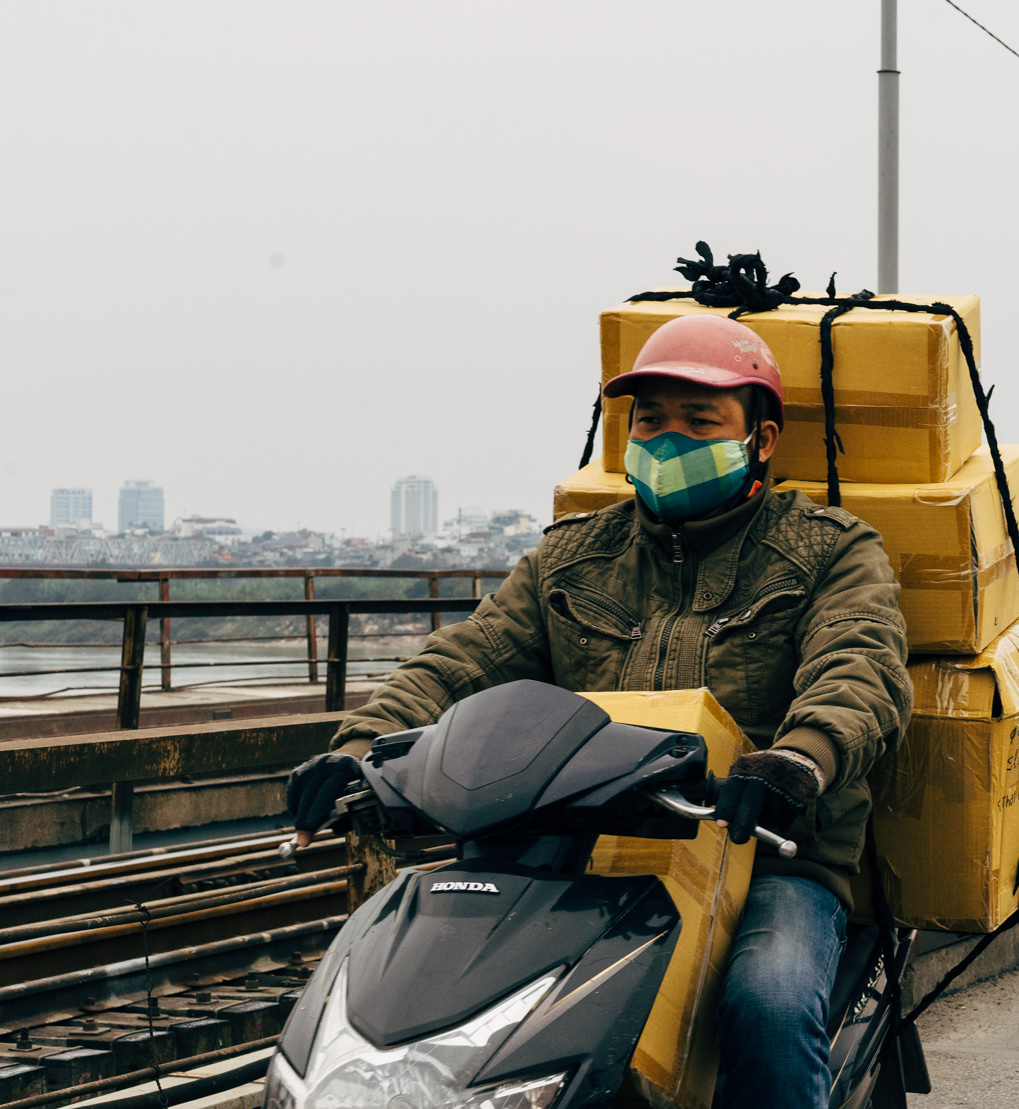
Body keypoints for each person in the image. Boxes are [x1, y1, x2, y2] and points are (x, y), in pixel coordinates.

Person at [282, 316, 912, 1109]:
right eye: (650, 418)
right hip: (580, 853)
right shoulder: (572, 557)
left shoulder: (828, 548)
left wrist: (799, 758)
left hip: (769, 857)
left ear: (760, 437)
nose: (668, 437)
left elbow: (861, 667)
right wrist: (361, 748)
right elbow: (464, 659)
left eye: (700, 419)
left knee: (769, 1008)